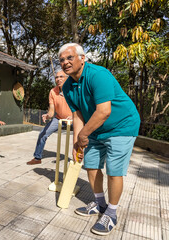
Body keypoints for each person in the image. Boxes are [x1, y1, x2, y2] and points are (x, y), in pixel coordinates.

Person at [59, 43, 140, 236]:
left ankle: (111, 214)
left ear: (82, 58)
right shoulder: (68, 85)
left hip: (121, 125)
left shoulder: (98, 75)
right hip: (95, 128)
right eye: (62, 60)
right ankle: (99, 203)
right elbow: (78, 115)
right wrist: (78, 143)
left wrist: (83, 135)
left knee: (114, 170)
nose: (65, 62)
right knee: (92, 166)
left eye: (70, 58)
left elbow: (104, 111)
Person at [27, 70, 72, 165]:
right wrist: (48, 115)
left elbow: (80, 106)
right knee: (42, 134)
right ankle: (37, 158)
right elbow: (52, 110)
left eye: (61, 77)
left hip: (74, 118)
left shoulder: (73, 89)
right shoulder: (53, 91)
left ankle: (79, 160)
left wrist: (73, 116)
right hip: (59, 118)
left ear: (67, 78)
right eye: (56, 77)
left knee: (82, 137)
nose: (58, 79)